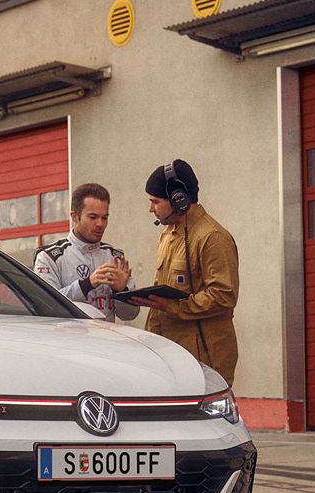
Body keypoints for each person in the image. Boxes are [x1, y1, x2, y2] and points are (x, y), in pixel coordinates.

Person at [134, 159, 240, 385]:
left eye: (155, 201)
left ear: (178, 199)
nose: (150, 208)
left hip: (206, 358)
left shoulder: (213, 238)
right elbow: (160, 295)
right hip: (172, 356)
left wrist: (172, 306)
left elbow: (223, 296)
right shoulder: (168, 235)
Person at [33, 182, 140, 322]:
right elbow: (45, 306)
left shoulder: (115, 257)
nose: (100, 224)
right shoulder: (50, 257)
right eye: (93, 217)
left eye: (105, 217)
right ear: (75, 217)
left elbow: (130, 315)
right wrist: (86, 285)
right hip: (69, 341)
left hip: (108, 341)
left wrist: (121, 291)